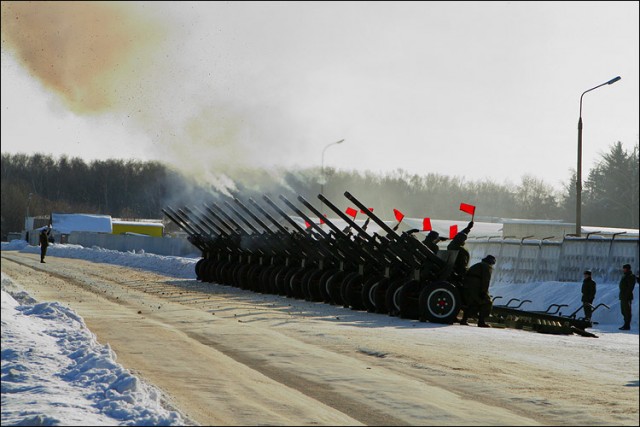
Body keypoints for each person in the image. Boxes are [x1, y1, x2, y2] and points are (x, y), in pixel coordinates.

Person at [460, 254, 496, 328]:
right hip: (475, 286)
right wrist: (484, 292)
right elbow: (486, 281)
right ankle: (481, 322)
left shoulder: (479, 265)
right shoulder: (487, 267)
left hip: (467, 285)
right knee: (487, 302)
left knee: (471, 302)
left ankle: (464, 320)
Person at [618, 263, 636, 330]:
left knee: (627, 311)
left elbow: (630, 287)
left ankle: (627, 325)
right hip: (623, 296)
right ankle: (625, 324)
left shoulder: (630, 276)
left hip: (627, 296)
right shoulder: (625, 276)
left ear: (628, 269)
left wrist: (626, 294)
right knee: (623, 311)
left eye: (625, 269)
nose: (623, 270)